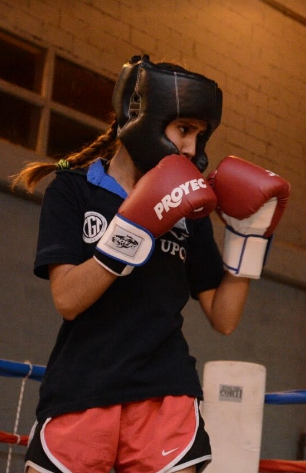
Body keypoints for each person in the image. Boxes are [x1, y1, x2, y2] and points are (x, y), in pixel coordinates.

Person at [11, 54, 290, 473]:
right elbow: (67, 299)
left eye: (200, 134)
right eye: (183, 130)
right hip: (81, 388)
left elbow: (224, 317)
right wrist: (134, 227)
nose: (192, 148)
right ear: (140, 114)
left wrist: (247, 242)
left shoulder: (188, 207)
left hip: (165, 393)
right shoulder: (74, 191)